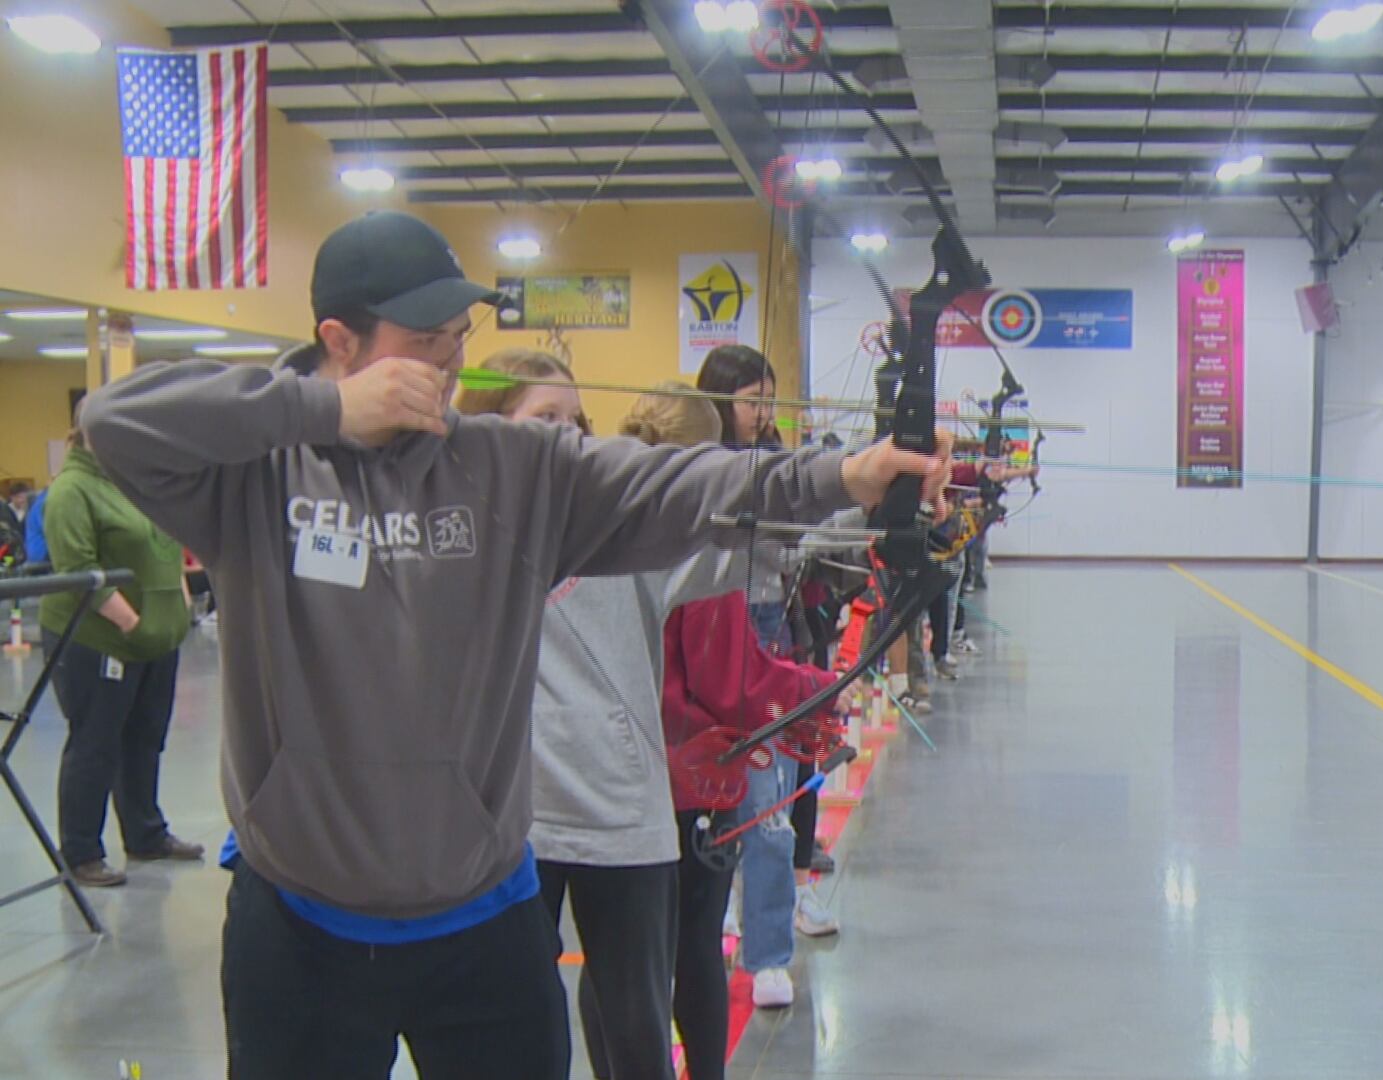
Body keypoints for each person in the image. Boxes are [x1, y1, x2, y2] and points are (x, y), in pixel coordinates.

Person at [78, 209, 950, 1080]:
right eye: (425, 340)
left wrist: (847, 475)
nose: (451, 360)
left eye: (458, 335)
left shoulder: (512, 468)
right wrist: (324, 408)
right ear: (338, 342)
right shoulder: (252, 476)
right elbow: (116, 423)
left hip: (480, 921)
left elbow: (674, 483)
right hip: (299, 923)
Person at [458, 353, 746, 1080]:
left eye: (574, 421)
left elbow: (724, 554)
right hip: (505, 816)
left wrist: (852, 505)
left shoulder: (619, 524)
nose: (563, 437)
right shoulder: (455, 529)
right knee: (512, 1026)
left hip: (619, 813)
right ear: (490, 428)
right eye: (541, 420)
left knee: (635, 1029)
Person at [695, 344, 839, 1009]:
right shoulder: (698, 470)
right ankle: (719, 921)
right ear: (721, 401)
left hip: (770, 632)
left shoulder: (777, 466)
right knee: (707, 802)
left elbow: (808, 528)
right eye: (751, 400)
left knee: (771, 806)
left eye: (768, 400)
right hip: (707, 635)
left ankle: (769, 954)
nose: (762, 413)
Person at [39, 426, 200, 887]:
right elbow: (79, 571)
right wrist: (134, 625)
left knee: (145, 737)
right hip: (97, 638)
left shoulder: (138, 483)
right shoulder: (72, 490)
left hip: (155, 640)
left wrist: (179, 603)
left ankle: (146, 834)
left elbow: (166, 549)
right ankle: (81, 852)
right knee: (96, 743)